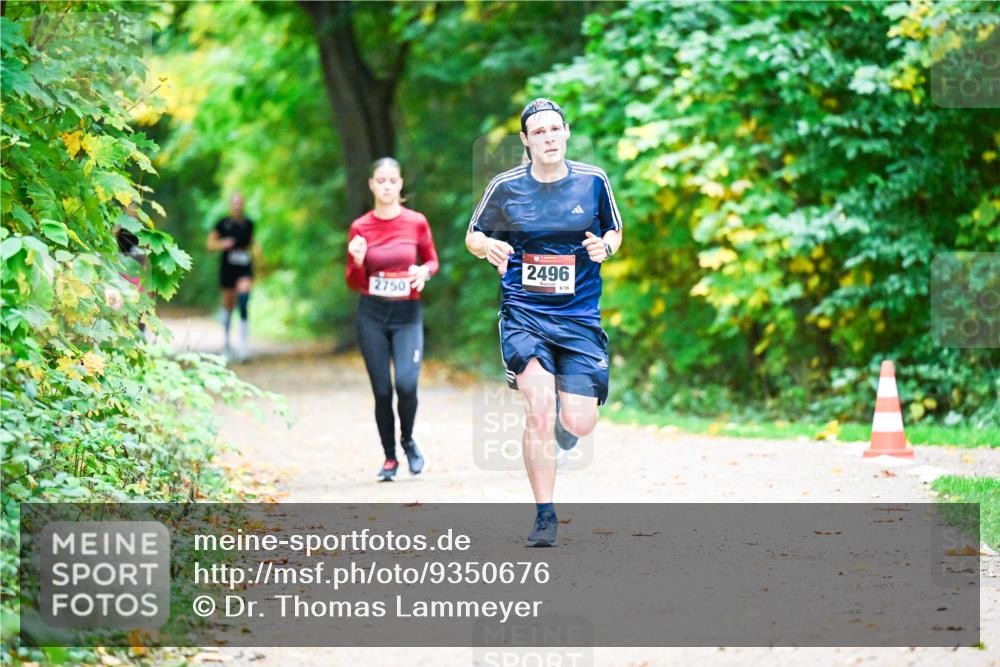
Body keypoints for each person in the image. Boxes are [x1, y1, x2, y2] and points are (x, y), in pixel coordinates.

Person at [465, 98, 623, 546]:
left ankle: (565, 427)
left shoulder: (593, 182)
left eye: (555, 129)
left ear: (567, 132)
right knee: (536, 408)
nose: (549, 137)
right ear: (525, 140)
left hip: (578, 317)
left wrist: (606, 248)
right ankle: (544, 515)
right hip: (524, 313)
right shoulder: (506, 186)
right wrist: (487, 248)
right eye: (539, 132)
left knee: (580, 422)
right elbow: (473, 234)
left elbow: (615, 230)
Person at [346, 158, 440, 482]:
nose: (386, 186)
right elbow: (353, 282)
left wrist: (423, 272)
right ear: (371, 185)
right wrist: (357, 261)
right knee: (383, 391)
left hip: (407, 315)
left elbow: (431, 260)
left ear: (400, 184)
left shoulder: (416, 222)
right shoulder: (361, 226)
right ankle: (389, 458)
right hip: (372, 314)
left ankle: (408, 441)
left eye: (392, 180)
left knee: (406, 384)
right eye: (380, 181)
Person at [206, 192, 257, 361]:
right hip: (228, 268)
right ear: (230, 205)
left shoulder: (249, 223)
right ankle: (227, 344)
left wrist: (257, 249)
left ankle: (244, 346)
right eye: (234, 203)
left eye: (240, 203)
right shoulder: (223, 223)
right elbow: (210, 244)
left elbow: (252, 242)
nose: (237, 206)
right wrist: (222, 244)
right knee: (228, 306)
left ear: (243, 204)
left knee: (243, 300)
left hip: (244, 267)